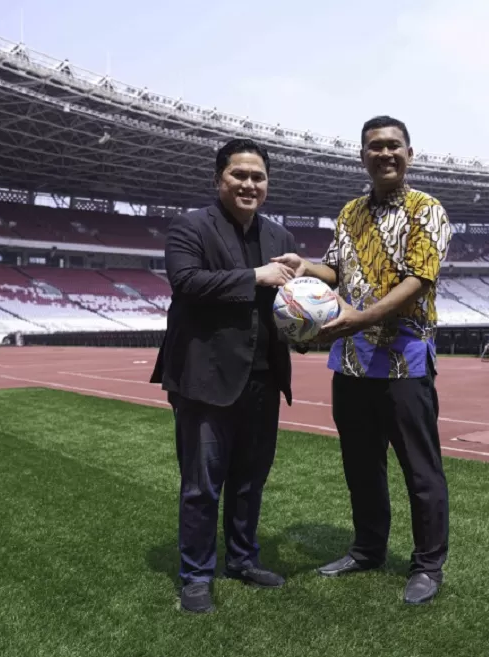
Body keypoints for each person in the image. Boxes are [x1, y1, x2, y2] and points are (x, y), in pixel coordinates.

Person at [273, 115, 452, 605]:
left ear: (409, 154)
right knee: (360, 465)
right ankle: (368, 548)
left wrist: (360, 318)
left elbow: (419, 280)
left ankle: (427, 565)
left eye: (394, 145)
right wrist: (303, 266)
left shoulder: (427, 210)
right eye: (375, 147)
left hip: (404, 360)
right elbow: (335, 267)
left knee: (420, 468)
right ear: (362, 157)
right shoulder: (350, 212)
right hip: (350, 361)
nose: (385, 153)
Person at [149, 138, 301, 614]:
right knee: (201, 485)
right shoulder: (190, 226)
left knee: (249, 481)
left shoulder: (280, 238)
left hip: (262, 379)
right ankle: (195, 575)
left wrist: (306, 317)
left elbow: (286, 307)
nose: (249, 184)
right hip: (205, 378)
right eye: (239, 175)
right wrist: (256, 276)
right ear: (219, 179)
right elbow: (187, 283)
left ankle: (242, 559)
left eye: (258, 177)